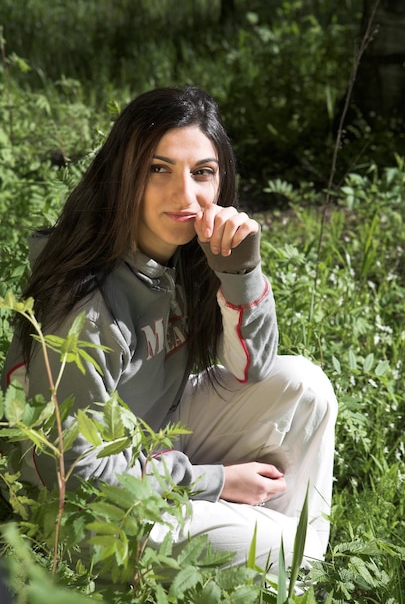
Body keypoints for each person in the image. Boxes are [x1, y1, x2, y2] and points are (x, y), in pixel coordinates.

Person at [1, 86, 337, 576]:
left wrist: (239, 274)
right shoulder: (86, 307)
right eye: (158, 169)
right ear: (124, 176)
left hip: (155, 448)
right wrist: (215, 482)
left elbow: (253, 368)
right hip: (82, 517)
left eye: (203, 172)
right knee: (290, 545)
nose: (186, 195)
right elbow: (75, 476)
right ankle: (285, 559)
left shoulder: (179, 256)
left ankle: (279, 557)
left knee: (305, 386)